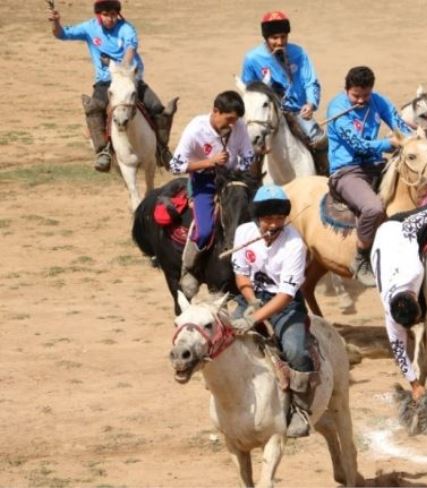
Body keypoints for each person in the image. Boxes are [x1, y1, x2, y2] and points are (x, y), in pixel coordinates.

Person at [229, 184, 314, 438]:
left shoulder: (294, 244)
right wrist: (252, 301)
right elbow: (241, 274)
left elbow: (286, 294)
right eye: (268, 219)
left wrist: (255, 318)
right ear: (257, 218)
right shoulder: (244, 232)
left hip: (284, 304)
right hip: (252, 297)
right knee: (226, 339)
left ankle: (300, 408)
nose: (274, 225)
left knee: (295, 350)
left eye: (279, 219)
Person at [49, 0, 173, 172]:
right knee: (93, 108)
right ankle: (103, 151)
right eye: (106, 15)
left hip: (130, 79)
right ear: (98, 15)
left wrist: (124, 68)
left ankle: (162, 149)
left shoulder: (126, 28)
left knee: (158, 108)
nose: (110, 19)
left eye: (113, 14)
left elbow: (130, 48)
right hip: (106, 81)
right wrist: (56, 22)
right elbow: (61, 34)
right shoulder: (89, 28)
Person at [327, 66, 413, 286]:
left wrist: (413, 138)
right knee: (373, 208)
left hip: (374, 165)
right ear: (347, 89)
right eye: (356, 96)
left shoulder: (378, 101)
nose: (361, 101)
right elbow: (358, 145)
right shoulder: (337, 108)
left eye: (366, 95)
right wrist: (389, 143)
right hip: (347, 170)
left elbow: (398, 123)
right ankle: (361, 257)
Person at [168, 91, 256, 296]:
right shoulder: (195, 130)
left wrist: (241, 169)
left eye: (236, 120)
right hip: (205, 181)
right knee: (205, 230)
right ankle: (190, 269)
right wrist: (209, 162)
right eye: (229, 119)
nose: (232, 125)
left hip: (235, 179)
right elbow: (174, 166)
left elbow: (249, 156)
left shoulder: (239, 126)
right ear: (215, 111)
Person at [370, 202, 427, 402]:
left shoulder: (413, 269)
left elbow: (411, 223)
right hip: (385, 245)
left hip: (397, 225)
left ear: (414, 299)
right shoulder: (391, 315)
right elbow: (399, 351)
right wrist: (414, 384)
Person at [240, 11, 324, 148]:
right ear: (266, 38)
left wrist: (311, 104)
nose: (280, 42)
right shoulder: (252, 58)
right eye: (274, 38)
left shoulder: (299, 53)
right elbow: (248, 90)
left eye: (283, 37)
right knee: (250, 146)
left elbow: (311, 81)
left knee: (320, 141)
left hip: (297, 111)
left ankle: (325, 170)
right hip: (267, 113)